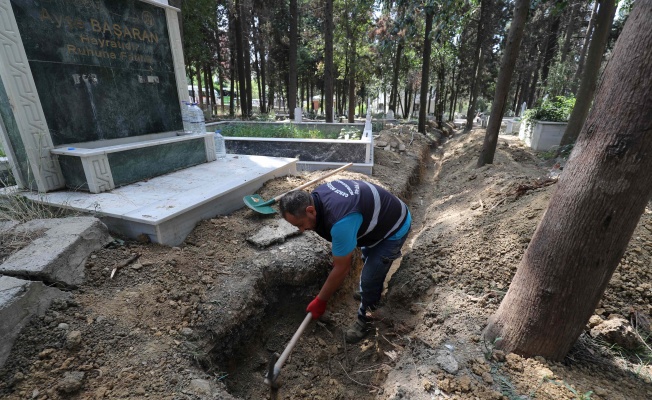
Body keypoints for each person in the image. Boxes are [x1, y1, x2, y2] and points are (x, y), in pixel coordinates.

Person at [279, 179, 412, 343]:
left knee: (371, 278)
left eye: (300, 224)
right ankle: (368, 291)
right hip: (377, 220)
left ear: (310, 210)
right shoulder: (318, 196)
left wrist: (320, 301)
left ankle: (366, 318)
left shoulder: (340, 220)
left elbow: (342, 268)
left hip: (394, 228)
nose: (301, 230)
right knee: (368, 259)